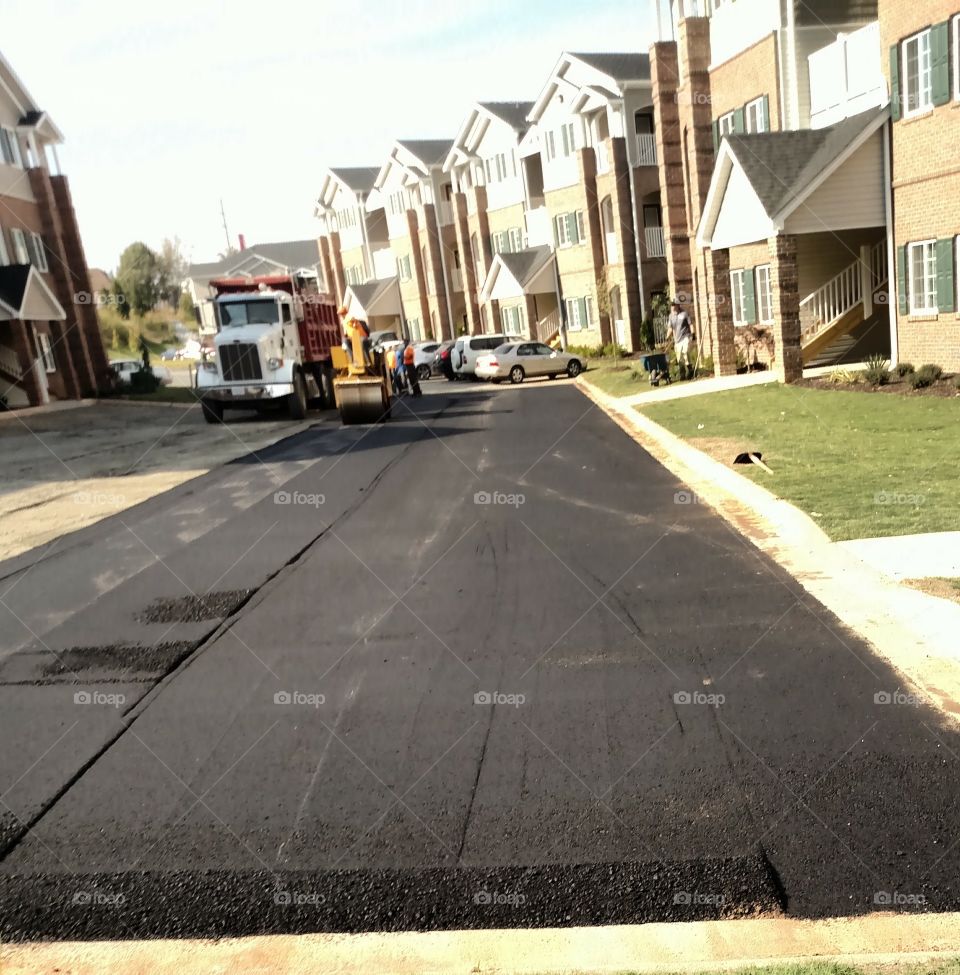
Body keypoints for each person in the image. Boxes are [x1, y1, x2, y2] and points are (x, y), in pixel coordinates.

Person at [669, 300, 694, 380]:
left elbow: (690, 324)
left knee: (685, 351)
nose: (672, 306)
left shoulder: (684, 314)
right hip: (677, 340)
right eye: (672, 305)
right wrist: (667, 337)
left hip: (686, 336)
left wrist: (693, 333)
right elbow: (670, 328)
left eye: (674, 305)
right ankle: (682, 374)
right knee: (679, 359)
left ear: (678, 305)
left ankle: (690, 370)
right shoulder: (671, 316)